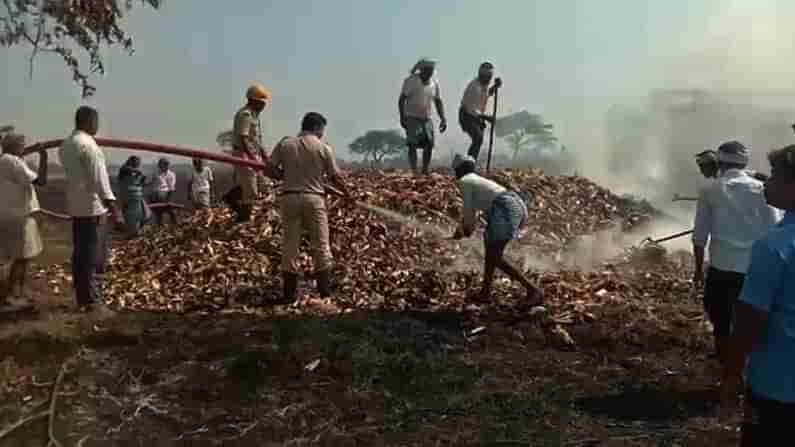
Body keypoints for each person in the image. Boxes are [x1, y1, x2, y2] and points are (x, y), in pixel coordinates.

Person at [719, 144, 795, 445]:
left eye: (776, 176)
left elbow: (751, 318)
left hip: (778, 386)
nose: (768, 182)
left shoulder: (774, 246)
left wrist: (733, 372)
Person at [692, 141, 783, 370]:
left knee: (722, 326)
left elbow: (699, 237)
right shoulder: (763, 189)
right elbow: (776, 229)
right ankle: (748, 370)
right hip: (754, 272)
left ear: (719, 162)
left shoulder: (710, 191)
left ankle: (728, 373)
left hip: (721, 271)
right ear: (745, 162)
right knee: (753, 325)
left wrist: (697, 271)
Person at [263, 112, 352, 304]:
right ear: (317, 127)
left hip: (290, 198)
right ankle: (325, 293)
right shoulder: (323, 148)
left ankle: (288, 295)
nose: (322, 134)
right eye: (322, 130)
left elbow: (268, 169)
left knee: (290, 245)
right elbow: (335, 176)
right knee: (320, 244)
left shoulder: (286, 144)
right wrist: (348, 194)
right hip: (314, 199)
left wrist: (284, 176)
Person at [450, 154, 543, 304]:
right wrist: (463, 228)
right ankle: (485, 293)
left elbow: (469, 209)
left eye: (456, 171)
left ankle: (533, 290)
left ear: (460, 169)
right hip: (513, 205)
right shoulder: (476, 180)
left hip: (504, 208)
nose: (456, 174)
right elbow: (474, 210)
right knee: (491, 251)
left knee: (494, 256)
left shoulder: (465, 180)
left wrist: (466, 229)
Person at [59, 106, 118, 313]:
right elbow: (99, 180)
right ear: (88, 121)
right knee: (93, 255)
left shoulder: (67, 144)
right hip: (93, 207)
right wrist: (113, 206)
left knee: (80, 253)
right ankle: (93, 302)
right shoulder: (89, 146)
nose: (98, 125)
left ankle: (83, 298)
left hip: (76, 205)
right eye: (96, 121)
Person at [0, 133, 47, 311]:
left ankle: (15, 294)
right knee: (21, 257)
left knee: (22, 257)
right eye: (23, 144)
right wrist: (43, 155)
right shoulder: (13, 161)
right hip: (18, 217)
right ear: (15, 146)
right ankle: (10, 297)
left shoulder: (6, 160)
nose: (24, 148)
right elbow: (41, 181)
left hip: (11, 215)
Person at [229, 83, 271, 222]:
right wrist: (253, 159)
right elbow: (243, 139)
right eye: (261, 103)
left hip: (254, 155)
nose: (264, 106)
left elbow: (257, 140)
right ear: (253, 100)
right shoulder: (245, 115)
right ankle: (244, 219)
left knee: (265, 185)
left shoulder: (255, 115)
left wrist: (265, 157)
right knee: (250, 191)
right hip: (244, 155)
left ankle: (260, 217)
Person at [399, 58, 447, 176]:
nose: (429, 72)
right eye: (427, 70)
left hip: (426, 117)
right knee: (412, 144)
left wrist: (443, 118)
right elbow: (401, 100)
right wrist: (402, 117)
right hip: (411, 116)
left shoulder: (434, 83)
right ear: (421, 70)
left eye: (431, 70)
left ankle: (425, 169)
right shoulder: (411, 81)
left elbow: (438, 101)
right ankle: (414, 170)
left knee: (429, 144)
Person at [459, 62, 502, 162]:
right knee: (478, 138)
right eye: (487, 77)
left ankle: (471, 162)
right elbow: (472, 111)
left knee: (478, 140)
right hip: (467, 115)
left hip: (477, 116)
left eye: (490, 77)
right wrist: (488, 118)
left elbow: (487, 94)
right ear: (481, 75)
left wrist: (495, 87)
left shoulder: (484, 84)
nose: (489, 80)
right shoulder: (474, 87)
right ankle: (469, 164)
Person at [118, 156, 148, 237]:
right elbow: (126, 169)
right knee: (132, 219)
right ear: (131, 162)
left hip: (138, 197)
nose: (138, 164)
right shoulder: (124, 170)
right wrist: (138, 171)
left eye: (139, 163)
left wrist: (144, 180)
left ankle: (136, 232)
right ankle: (132, 235)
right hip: (129, 198)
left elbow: (141, 183)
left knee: (146, 215)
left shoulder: (136, 171)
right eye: (137, 162)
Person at [149, 158, 177, 225]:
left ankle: (175, 224)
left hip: (164, 194)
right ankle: (159, 225)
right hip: (155, 195)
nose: (161, 167)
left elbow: (171, 188)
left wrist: (168, 200)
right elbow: (150, 182)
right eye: (160, 165)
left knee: (170, 212)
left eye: (164, 165)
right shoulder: (155, 173)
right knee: (158, 213)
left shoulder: (171, 174)